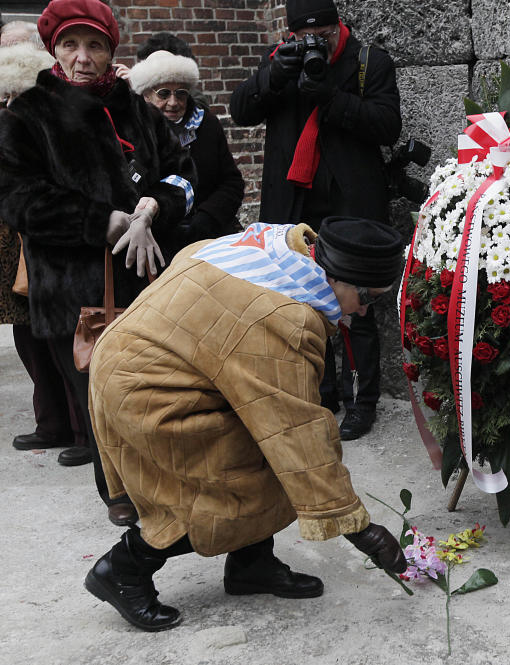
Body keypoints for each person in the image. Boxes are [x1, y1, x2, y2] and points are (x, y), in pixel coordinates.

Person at [84, 218, 408, 631]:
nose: (363, 310)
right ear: (333, 275)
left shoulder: (280, 249)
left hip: (140, 357)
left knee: (267, 459)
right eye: (366, 298)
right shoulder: (283, 317)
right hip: (150, 388)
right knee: (219, 489)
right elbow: (298, 435)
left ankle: (251, 564)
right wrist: (360, 529)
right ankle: (122, 568)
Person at [0, 0, 196, 527]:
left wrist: (154, 206)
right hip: (73, 292)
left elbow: (183, 175)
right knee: (100, 400)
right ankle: (122, 496)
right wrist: (100, 221)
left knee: (158, 393)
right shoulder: (28, 116)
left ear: (112, 50)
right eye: (71, 45)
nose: (83, 57)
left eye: (95, 45)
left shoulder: (140, 109)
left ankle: (167, 484)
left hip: (151, 283)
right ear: (54, 50)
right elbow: (18, 199)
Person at [229, 0, 402, 441]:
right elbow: (240, 110)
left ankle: (362, 401)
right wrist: (275, 76)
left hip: (351, 202)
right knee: (299, 303)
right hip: (293, 202)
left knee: (356, 307)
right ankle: (319, 393)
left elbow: (387, 126)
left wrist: (332, 98)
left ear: (338, 26)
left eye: (324, 36)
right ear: (289, 37)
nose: (315, 45)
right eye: (305, 38)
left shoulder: (368, 62)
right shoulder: (280, 62)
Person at [0, 21, 91, 458]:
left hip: (47, 229)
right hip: (11, 232)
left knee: (62, 328)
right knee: (27, 329)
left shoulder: (57, 99)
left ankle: (81, 430)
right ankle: (52, 420)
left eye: (16, 48)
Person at [129, 47, 243, 256]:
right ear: (146, 94)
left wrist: (207, 218)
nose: (173, 102)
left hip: (211, 235)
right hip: (157, 242)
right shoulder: (134, 132)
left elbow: (232, 182)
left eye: (180, 93)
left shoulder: (207, 124)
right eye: (163, 93)